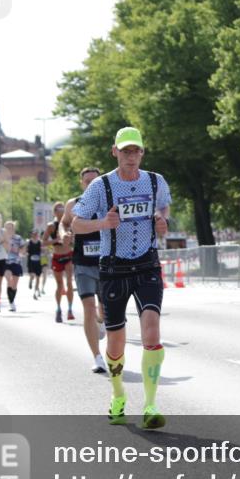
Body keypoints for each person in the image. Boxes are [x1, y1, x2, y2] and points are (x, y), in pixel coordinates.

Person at [71, 127, 171, 429]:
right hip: (113, 268)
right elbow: (76, 224)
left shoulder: (155, 181)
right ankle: (118, 395)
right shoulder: (101, 186)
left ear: (142, 152)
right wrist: (103, 222)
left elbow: (163, 205)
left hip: (147, 265)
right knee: (116, 342)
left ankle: (151, 405)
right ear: (115, 151)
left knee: (152, 330)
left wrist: (160, 219)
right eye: (125, 151)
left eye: (136, 151)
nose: (131, 156)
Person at [64, 166, 109, 374]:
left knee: (105, 311)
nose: (91, 184)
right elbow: (65, 224)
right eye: (87, 181)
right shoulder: (73, 204)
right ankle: (98, 357)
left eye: (95, 180)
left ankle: (101, 322)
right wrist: (65, 233)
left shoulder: (109, 201)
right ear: (82, 184)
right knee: (89, 307)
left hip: (106, 262)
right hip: (82, 262)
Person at [44, 202, 76, 323]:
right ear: (54, 212)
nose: (60, 211)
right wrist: (56, 239)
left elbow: (75, 240)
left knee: (69, 283)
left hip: (68, 255)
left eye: (62, 209)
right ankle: (58, 309)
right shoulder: (51, 226)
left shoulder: (69, 224)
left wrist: (70, 239)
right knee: (59, 285)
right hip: (57, 256)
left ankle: (70, 309)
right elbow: (43, 242)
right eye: (58, 210)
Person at [3, 221, 24, 312]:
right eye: (7, 228)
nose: (8, 229)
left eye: (10, 228)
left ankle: (12, 301)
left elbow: (23, 248)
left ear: (13, 228)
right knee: (9, 279)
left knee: (14, 284)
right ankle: (11, 303)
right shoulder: (3, 238)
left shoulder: (18, 238)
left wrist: (20, 251)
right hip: (6, 262)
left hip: (16, 261)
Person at [26, 229, 43, 298]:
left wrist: (44, 251)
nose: (35, 235)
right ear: (31, 235)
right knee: (32, 275)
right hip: (31, 261)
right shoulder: (28, 242)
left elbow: (43, 250)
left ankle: (35, 292)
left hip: (38, 261)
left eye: (36, 234)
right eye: (33, 234)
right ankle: (30, 280)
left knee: (38, 277)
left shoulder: (40, 242)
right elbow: (26, 250)